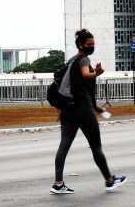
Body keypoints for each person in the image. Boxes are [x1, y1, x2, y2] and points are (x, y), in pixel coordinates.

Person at [51, 29, 127, 194]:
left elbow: (77, 87)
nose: (92, 47)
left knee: (63, 146)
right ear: (80, 45)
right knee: (96, 147)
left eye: (93, 44)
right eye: (89, 44)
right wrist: (96, 73)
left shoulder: (70, 62)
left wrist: (96, 107)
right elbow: (86, 76)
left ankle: (58, 183)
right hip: (83, 112)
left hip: (68, 111)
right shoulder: (83, 60)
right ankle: (109, 180)